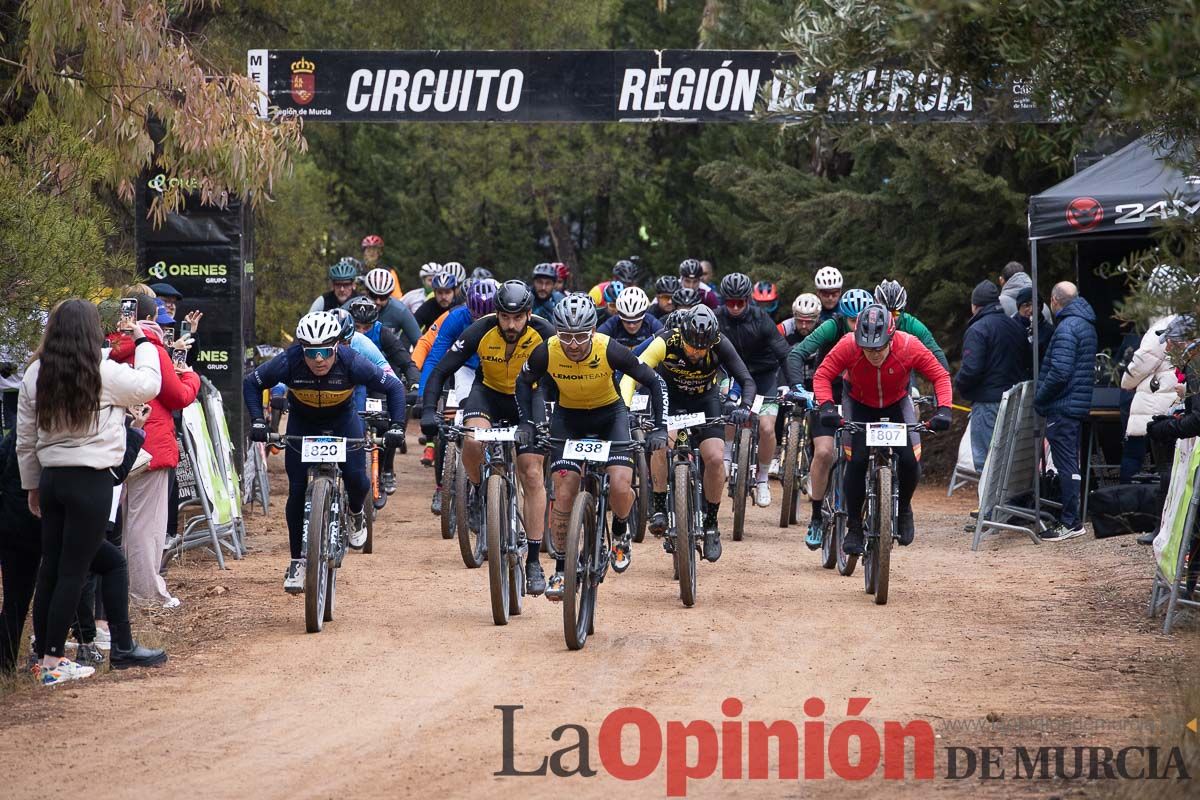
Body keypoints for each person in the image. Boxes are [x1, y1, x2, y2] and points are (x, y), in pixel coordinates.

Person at [17, 300, 166, 684]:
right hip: (91, 482)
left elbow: (25, 439)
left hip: (52, 480)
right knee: (73, 570)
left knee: (64, 565)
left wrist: (32, 486)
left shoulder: (36, 373)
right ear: (91, 331)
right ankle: (52, 662)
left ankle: (111, 648)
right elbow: (149, 386)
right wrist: (145, 341)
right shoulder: (102, 372)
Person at [514, 294, 667, 599]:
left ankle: (621, 530)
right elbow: (523, 382)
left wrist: (660, 426)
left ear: (593, 331)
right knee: (564, 491)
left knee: (622, 485)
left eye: (581, 336)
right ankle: (560, 568)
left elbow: (653, 381)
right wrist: (528, 423)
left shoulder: (609, 348)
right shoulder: (547, 350)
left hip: (610, 416)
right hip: (568, 418)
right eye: (566, 336)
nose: (573, 344)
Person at [244, 312, 407, 592]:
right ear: (301, 349)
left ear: (337, 347)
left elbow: (393, 387)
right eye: (311, 352)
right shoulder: (289, 360)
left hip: (343, 420)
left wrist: (396, 427)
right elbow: (252, 382)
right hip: (302, 422)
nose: (318, 359)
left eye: (324, 352)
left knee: (357, 479)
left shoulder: (352, 361)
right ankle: (297, 560)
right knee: (296, 491)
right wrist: (258, 421)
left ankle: (356, 513)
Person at [420, 282, 555, 595]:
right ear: (496, 313)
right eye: (505, 317)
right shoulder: (480, 330)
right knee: (471, 440)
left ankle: (534, 560)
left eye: (517, 318)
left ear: (529, 314)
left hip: (528, 399)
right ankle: (480, 493)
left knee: (532, 473)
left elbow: (564, 375)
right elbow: (441, 370)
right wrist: (428, 409)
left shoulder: (545, 334)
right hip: (488, 395)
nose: (510, 324)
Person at [814, 305, 953, 555]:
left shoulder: (909, 345)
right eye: (867, 349)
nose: (874, 354)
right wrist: (826, 407)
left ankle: (905, 510)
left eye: (879, 348)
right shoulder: (848, 344)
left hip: (896, 403)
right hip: (858, 403)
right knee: (856, 460)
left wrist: (944, 410)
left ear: (891, 337)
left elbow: (940, 376)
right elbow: (823, 375)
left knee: (910, 461)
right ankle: (854, 525)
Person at [624, 305, 756, 562]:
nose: (696, 352)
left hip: (705, 401)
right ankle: (660, 505)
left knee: (716, 458)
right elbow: (632, 372)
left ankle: (711, 523)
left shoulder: (720, 343)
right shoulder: (665, 341)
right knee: (660, 443)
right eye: (691, 345)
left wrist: (743, 407)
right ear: (681, 334)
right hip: (668, 399)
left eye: (702, 347)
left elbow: (746, 379)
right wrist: (627, 407)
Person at [105, 295, 200, 608]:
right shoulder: (153, 350)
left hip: (111, 446)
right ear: (152, 320)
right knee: (146, 527)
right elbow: (177, 397)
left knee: (113, 526)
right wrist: (190, 376)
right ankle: (147, 593)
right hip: (150, 445)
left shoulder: (107, 349)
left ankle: (116, 593)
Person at [787, 287, 874, 548]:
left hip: (858, 394)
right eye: (850, 320)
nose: (856, 325)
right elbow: (797, 353)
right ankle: (815, 516)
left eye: (861, 319)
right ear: (842, 317)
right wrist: (800, 388)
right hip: (827, 391)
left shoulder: (877, 328)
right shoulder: (830, 328)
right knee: (824, 452)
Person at [717, 273, 800, 508]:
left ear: (747, 301)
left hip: (763, 376)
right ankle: (727, 454)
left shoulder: (761, 319)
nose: (734, 307)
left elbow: (785, 354)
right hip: (733, 375)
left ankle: (762, 478)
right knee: (728, 408)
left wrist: (795, 385)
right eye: (729, 303)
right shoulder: (717, 318)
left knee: (766, 427)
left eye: (739, 303)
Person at [418, 280, 498, 506]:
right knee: (456, 422)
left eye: (488, 315)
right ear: (468, 307)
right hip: (466, 369)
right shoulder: (455, 317)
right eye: (475, 316)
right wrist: (425, 396)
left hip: (497, 370)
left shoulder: (509, 320)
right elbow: (436, 358)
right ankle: (445, 485)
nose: (480, 322)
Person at [1034, 282, 1098, 542]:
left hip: (1063, 405)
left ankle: (1070, 522)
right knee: (1072, 462)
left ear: (1054, 300)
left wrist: (1040, 397)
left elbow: (1059, 372)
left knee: (1066, 465)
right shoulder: (1085, 323)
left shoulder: (1067, 328)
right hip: (1076, 404)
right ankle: (1073, 519)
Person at [955, 280, 1031, 471]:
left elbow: (971, 369)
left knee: (986, 463)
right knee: (1008, 464)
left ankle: (988, 502)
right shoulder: (1015, 327)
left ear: (975, 306)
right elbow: (1027, 363)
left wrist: (960, 386)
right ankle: (1005, 501)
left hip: (987, 403)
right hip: (1014, 402)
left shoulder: (978, 330)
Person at [352, 267, 422, 348]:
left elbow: (419, 342)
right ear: (366, 292)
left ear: (390, 295)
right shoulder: (352, 306)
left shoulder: (400, 311)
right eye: (373, 296)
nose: (378, 301)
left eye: (383, 297)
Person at [598, 286, 663, 348]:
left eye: (636, 320)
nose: (631, 325)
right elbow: (597, 341)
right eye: (626, 321)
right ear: (619, 314)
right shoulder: (611, 324)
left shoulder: (652, 324)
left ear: (643, 315)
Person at [360, 234, 404, 301]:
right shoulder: (357, 270)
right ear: (364, 252)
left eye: (375, 250)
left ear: (380, 253)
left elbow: (397, 298)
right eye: (369, 250)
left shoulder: (389, 272)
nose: (372, 253)